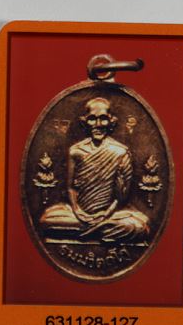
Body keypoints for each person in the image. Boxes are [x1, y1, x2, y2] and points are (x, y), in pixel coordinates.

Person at [39, 97, 149, 242]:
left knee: (138, 226)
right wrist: (78, 211)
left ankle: (89, 231)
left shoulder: (120, 152)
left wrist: (105, 215)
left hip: (111, 214)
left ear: (111, 121)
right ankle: (98, 231)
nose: (98, 124)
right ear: (84, 122)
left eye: (103, 119)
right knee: (46, 221)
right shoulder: (75, 151)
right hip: (78, 214)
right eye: (92, 119)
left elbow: (121, 198)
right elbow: (71, 188)